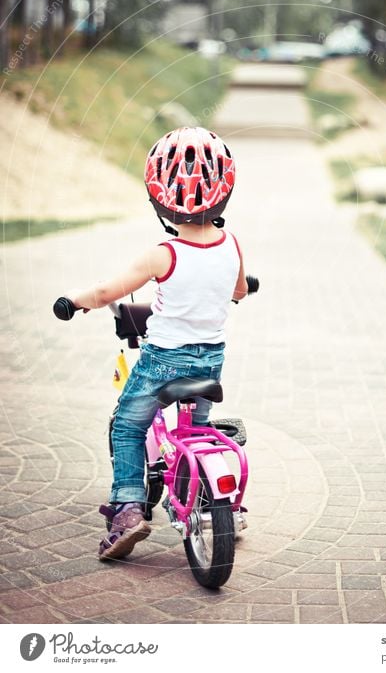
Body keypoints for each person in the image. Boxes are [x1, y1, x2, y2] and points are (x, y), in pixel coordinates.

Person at [67, 127, 248, 560]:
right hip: (211, 362)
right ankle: (207, 501)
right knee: (196, 430)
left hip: (163, 361)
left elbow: (107, 292)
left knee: (128, 427)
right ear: (224, 193)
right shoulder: (233, 247)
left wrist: (76, 301)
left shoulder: (162, 254)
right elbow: (238, 292)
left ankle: (128, 510)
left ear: (159, 198)